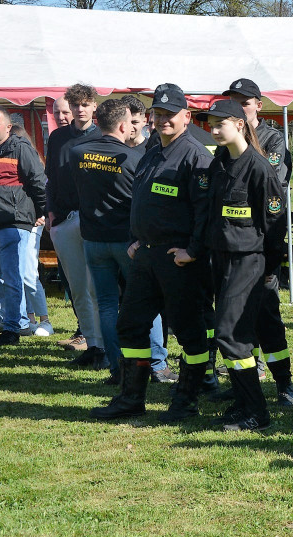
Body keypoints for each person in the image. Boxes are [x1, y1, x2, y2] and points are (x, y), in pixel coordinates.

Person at [90, 83, 212, 422]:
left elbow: (205, 211)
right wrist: (133, 238)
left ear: (186, 116)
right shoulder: (153, 150)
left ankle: (185, 402)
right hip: (145, 255)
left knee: (189, 332)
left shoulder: (196, 155)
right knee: (130, 326)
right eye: (158, 113)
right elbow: (140, 200)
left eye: (170, 114)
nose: (163, 120)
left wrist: (193, 250)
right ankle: (131, 397)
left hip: (179, 260)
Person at [198, 98, 287, 430]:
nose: (214, 129)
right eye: (211, 124)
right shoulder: (219, 162)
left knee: (230, 334)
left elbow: (275, 224)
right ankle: (242, 402)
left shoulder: (258, 167)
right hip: (220, 259)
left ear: (239, 123)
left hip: (250, 261)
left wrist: (268, 269)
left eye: (220, 123)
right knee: (237, 335)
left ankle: (257, 412)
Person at [70, 99, 169, 384]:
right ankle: (157, 364)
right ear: (125, 125)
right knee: (146, 301)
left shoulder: (77, 153)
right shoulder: (136, 159)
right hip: (128, 243)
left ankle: (117, 367)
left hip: (93, 241)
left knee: (106, 305)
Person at [225, 78, 293, 407]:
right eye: (233, 101)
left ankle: (284, 384)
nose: (239, 106)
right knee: (239, 317)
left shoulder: (272, 140)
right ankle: (246, 381)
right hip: (234, 241)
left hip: (264, 236)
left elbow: (272, 181)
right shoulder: (227, 141)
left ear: (258, 105)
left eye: (244, 101)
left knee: (268, 314)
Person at [45, 83, 105, 368]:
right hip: (65, 220)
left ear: (94, 106)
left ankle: (107, 346)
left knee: (99, 289)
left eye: (84, 104)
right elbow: (51, 179)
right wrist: (51, 213)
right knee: (78, 288)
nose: (79, 110)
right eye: (75, 104)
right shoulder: (56, 138)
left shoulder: (105, 135)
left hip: (96, 221)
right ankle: (92, 345)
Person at [0, 105, 47, 345]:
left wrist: (43, 212)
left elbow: (38, 182)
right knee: (0, 278)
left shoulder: (20, 149)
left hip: (14, 223)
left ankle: (13, 327)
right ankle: (13, 321)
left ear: (8, 127)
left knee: (12, 277)